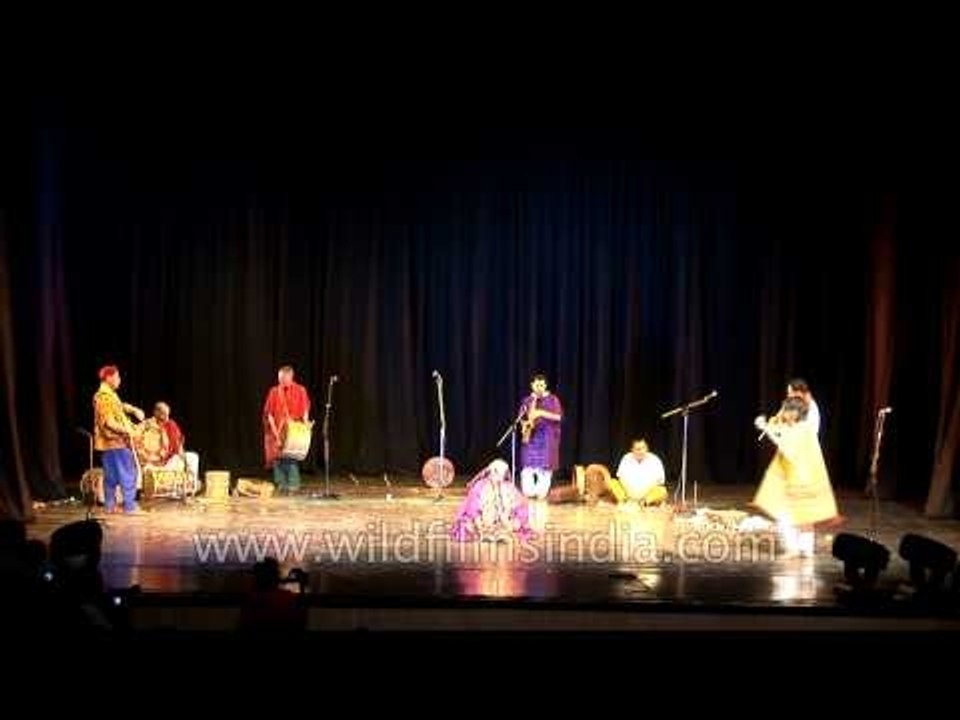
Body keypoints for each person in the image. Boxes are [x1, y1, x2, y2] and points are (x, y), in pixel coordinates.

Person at [753, 396, 839, 558]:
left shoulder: (803, 429)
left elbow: (787, 449)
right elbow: (781, 431)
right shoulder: (796, 427)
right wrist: (765, 425)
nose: (783, 413)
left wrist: (768, 430)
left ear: (795, 413)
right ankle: (801, 549)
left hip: (801, 479)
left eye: (786, 409)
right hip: (799, 477)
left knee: (792, 514)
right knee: (800, 515)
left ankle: (798, 549)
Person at [92, 365, 144, 513]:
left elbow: (121, 407)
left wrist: (134, 410)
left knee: (111, 476)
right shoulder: (104, 397)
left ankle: (110, 506)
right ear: (109, 378)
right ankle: (130, 507)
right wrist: (129, 431)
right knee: (128, 473)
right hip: (116, 441)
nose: (119, 380)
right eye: (117, 376)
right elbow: (109, 422)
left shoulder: (109, 395)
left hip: (109, 445)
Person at [451, 459, 533, 542]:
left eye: (500, 474)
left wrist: (515, 521)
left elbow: (521, 506)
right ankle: (486, 533)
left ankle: (502, 533)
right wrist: (478, 519)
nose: (496, 476)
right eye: (494, 472)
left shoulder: (509, 487)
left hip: (504, 520)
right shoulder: (480, 486)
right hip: (484, 519)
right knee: (467, 525)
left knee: (514, 526)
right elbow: (472, 506)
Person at [262, 365, 311, 493]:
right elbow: (269, 414)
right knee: (277, 458)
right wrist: (275, 433)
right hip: (277, 429)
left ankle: (293, 484)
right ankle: (281, 484)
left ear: (291, 377)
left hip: (292, 431)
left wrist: (306, 424)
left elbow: (305, 409)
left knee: (290, 457)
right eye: (280, 379)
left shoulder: (300, 390)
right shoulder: (274, 391)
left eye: (284, 379)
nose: (281, 381)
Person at [517, 373, 563, 499]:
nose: (539, 388)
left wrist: (540, 413)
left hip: (547, 438)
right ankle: (529, 491)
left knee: (544, 468)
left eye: (542, 385)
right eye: (537, 385)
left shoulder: (553, 399)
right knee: (528, 467)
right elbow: (521, 418)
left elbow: (558, 417)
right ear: (532, 385)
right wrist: (524, 425)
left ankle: (541, 492)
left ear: (545, 386)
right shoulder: (527, 401)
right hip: (531, 438)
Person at [138, 402, 200, 494]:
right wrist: (148, 458)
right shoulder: (145, 426)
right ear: (155, 412)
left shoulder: (171, 424)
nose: (166, 417)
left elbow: (178, 446)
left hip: (169, 462)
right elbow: (138, 443)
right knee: (145, 469)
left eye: (167, 414)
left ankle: (190, 486)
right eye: (163, 414)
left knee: (192, 457)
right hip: (151, 463)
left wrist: (185, 463)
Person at [615, 439, 668, 505]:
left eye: (643, 448)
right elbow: (619, 478)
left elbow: (660, 482)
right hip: (627, 495)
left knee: (662, 491)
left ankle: (645, 502)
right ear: (632, 450)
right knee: (613, 482)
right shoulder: (626, 458)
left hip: (647, 495)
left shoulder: (655, 459)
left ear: (647, 449)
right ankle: (623, 500)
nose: (641, 451)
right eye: (637, 449)